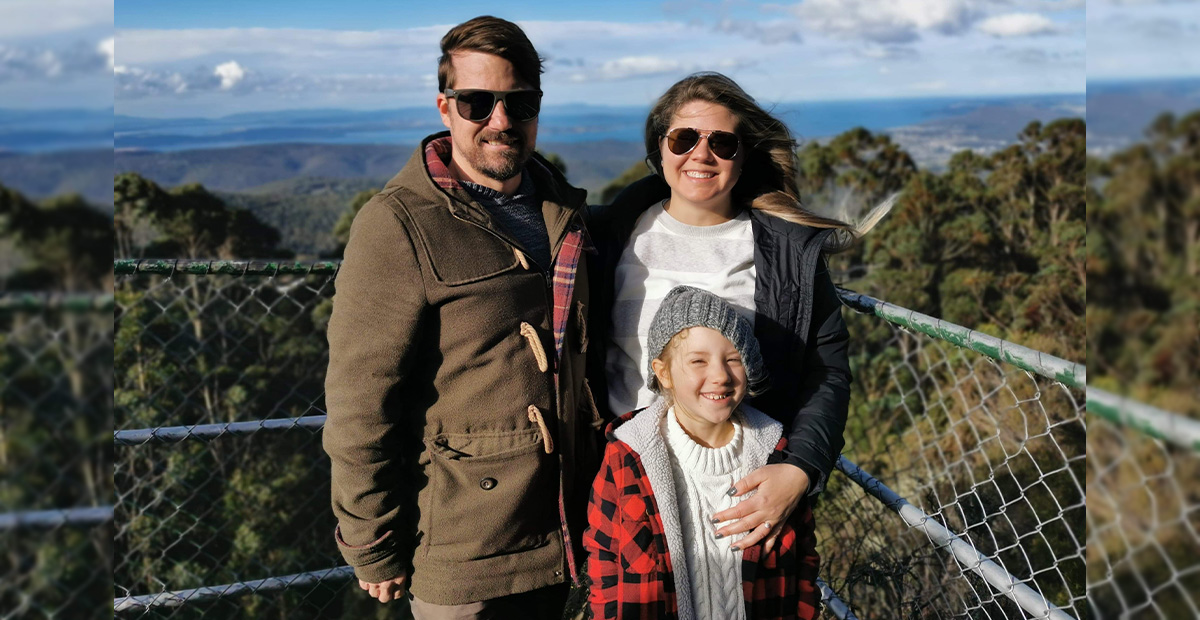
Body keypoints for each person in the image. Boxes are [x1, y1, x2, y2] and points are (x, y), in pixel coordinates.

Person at [323, 16, 600, 618]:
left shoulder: (559, 206)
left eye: (520, 103)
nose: (500, 121)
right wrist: (372, 541)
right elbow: (359, 400)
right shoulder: (397, 224)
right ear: (445, 106)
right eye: (478, 102)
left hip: (565, 532)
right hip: (465, 549)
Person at [587, 72, 887, 557]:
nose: (701, 155)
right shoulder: (604, 240)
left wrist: (799, 469)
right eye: (684, 138)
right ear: (658, 149)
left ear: (743, 157)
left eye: (722, 143)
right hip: (628, 488)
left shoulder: (787, 254)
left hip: (743, 497)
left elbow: (825, 371)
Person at [584, 285, 821, 619]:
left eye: (734, 359)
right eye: (698, 361)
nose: (720, 376)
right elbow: (603, 557)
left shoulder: (775, 452)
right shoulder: (627, 456)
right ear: (662, 372)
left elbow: (804, 558)